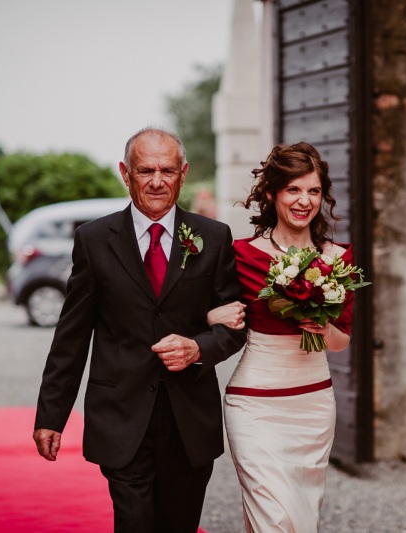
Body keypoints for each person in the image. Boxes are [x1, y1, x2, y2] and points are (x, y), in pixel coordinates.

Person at [32, 127, 248, 532]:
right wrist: (51, 415)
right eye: (145, 169)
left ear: (183, 174)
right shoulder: (94, 240)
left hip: (188, 420)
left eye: (167, 170)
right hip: (121, 415)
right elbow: (72, 335)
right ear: (125, 173)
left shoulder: (213, 237)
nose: (156, 181)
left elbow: (235, 324)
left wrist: (198, 348)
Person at [209, 142, 355, 532]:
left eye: (313, 191)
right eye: (293, 189)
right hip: (255, 406)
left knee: (302, 519)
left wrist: (324, 329)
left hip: (313, 406)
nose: (304, 200)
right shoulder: (239, 254)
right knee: (272, 517)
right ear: (272, 193)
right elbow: (204, 310)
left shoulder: (338, 259)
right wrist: (211, 313)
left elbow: (343, 341)